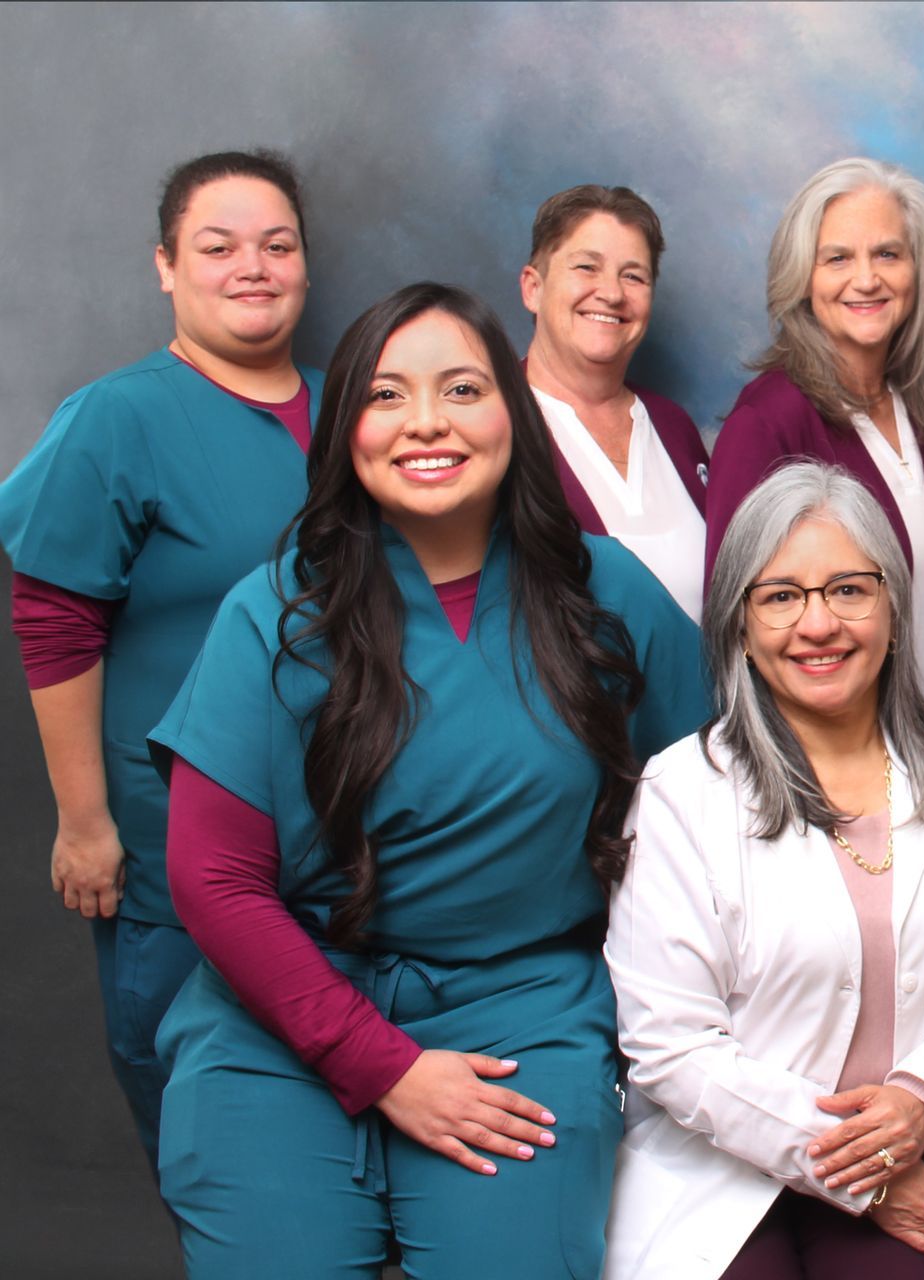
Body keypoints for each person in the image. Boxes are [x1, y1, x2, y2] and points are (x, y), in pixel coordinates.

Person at [145, 283, 708, 1277]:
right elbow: (212, 880)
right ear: (345, 427)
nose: (428, 423)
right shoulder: (271, 613)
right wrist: (384, 1065)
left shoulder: (609, 593)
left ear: (513, 414)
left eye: (461, 388)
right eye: (388, 396)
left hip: (521, 1009)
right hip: (283, 1009)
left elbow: (716, 817)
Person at [605, 462, 924, 1279]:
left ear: (893, 605)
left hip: (912, 1146)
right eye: (780, 597)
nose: (819, 624)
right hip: (726, 1164)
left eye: (849, 589)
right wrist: (861, 1172)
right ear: (738, 623)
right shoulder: (682, 791)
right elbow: (670, 1046)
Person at [0, 149, 320, 1173]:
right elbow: (54, 624)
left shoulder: (360, 407)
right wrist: (86, 822)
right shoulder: (117, 416)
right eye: (218, 246)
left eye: (277, 245)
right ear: (166, 266)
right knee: (207, 1113)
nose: (253, 267)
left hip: (345, 836)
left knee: (336, 1111)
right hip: (174, 837)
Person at [706, 157, 924, 710]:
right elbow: (737, 624)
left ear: (915, 271)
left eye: (887, 254)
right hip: (829, 753)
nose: (867, 278)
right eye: (838, 258)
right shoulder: (767, 423)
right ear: (802, 277)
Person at [521, 183, 711, 620]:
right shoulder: (492, 422)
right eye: (586, 267)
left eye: (634, 276)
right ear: (533, 287)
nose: (612, 293)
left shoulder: (673, 427)